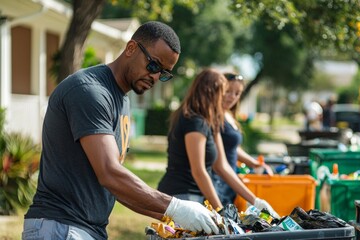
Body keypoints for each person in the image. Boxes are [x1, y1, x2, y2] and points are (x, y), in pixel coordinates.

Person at [22, 21, 219, 240]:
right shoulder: (89, 91)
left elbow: (117, 187)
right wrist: (176, 207)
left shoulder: (121, 99)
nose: (155, 78)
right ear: (131, 48)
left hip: (85, 229)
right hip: (60, 227)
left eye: (164, 73)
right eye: (153, 66)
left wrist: (177, 217)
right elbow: (109, 173)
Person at [157, 68, 279, 218]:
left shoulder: (208, 120)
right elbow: (198, 171)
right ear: (210, 92)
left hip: (195, 196)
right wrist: (220, 210)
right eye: (223, 92)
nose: (225, 98)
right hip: (183, 195)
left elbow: (222, 166)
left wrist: (255, 201)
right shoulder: (194, 121)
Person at [212, 72, 273, 206]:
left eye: (237, 93)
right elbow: (218, 162)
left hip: (230, 182)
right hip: (216, 181)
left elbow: (232, 148)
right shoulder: (213, 116)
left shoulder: (229, 114)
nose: (232, 97)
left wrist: (254, 163)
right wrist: (254, 201)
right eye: (228, 91)